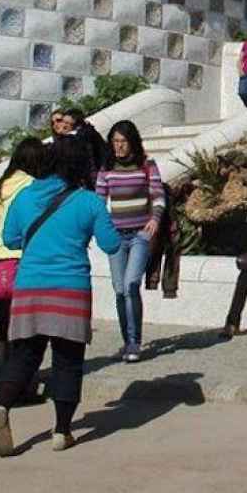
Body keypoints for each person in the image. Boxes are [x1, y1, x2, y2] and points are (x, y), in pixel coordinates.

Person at [0, 136, 122, 456]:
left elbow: (9, 237)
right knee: (68, 361)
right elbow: (112, 244)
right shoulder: (88, 201)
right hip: (70, 288)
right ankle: (62, 430)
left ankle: (3, 406)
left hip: (29, 286)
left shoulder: (23, 196)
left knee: (24, 356)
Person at [94, 121, 165, 363]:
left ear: (132, 141)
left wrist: (154, 220)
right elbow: (98, 202)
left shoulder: (147, 165)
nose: (119, 146)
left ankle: (135, 341)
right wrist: (99, 229)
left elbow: (158, 195)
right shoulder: (106, 168)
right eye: (115, 141)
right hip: (116, 236)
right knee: (119, 289)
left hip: (139, 235)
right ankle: (127, 341)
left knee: (131, 283)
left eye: (123, 141)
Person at [0, 137, 43, 399]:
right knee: (24, 330)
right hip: (20, 259)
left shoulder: (3, 183)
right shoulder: (31, 185)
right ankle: (18, 387)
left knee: (3, 327)